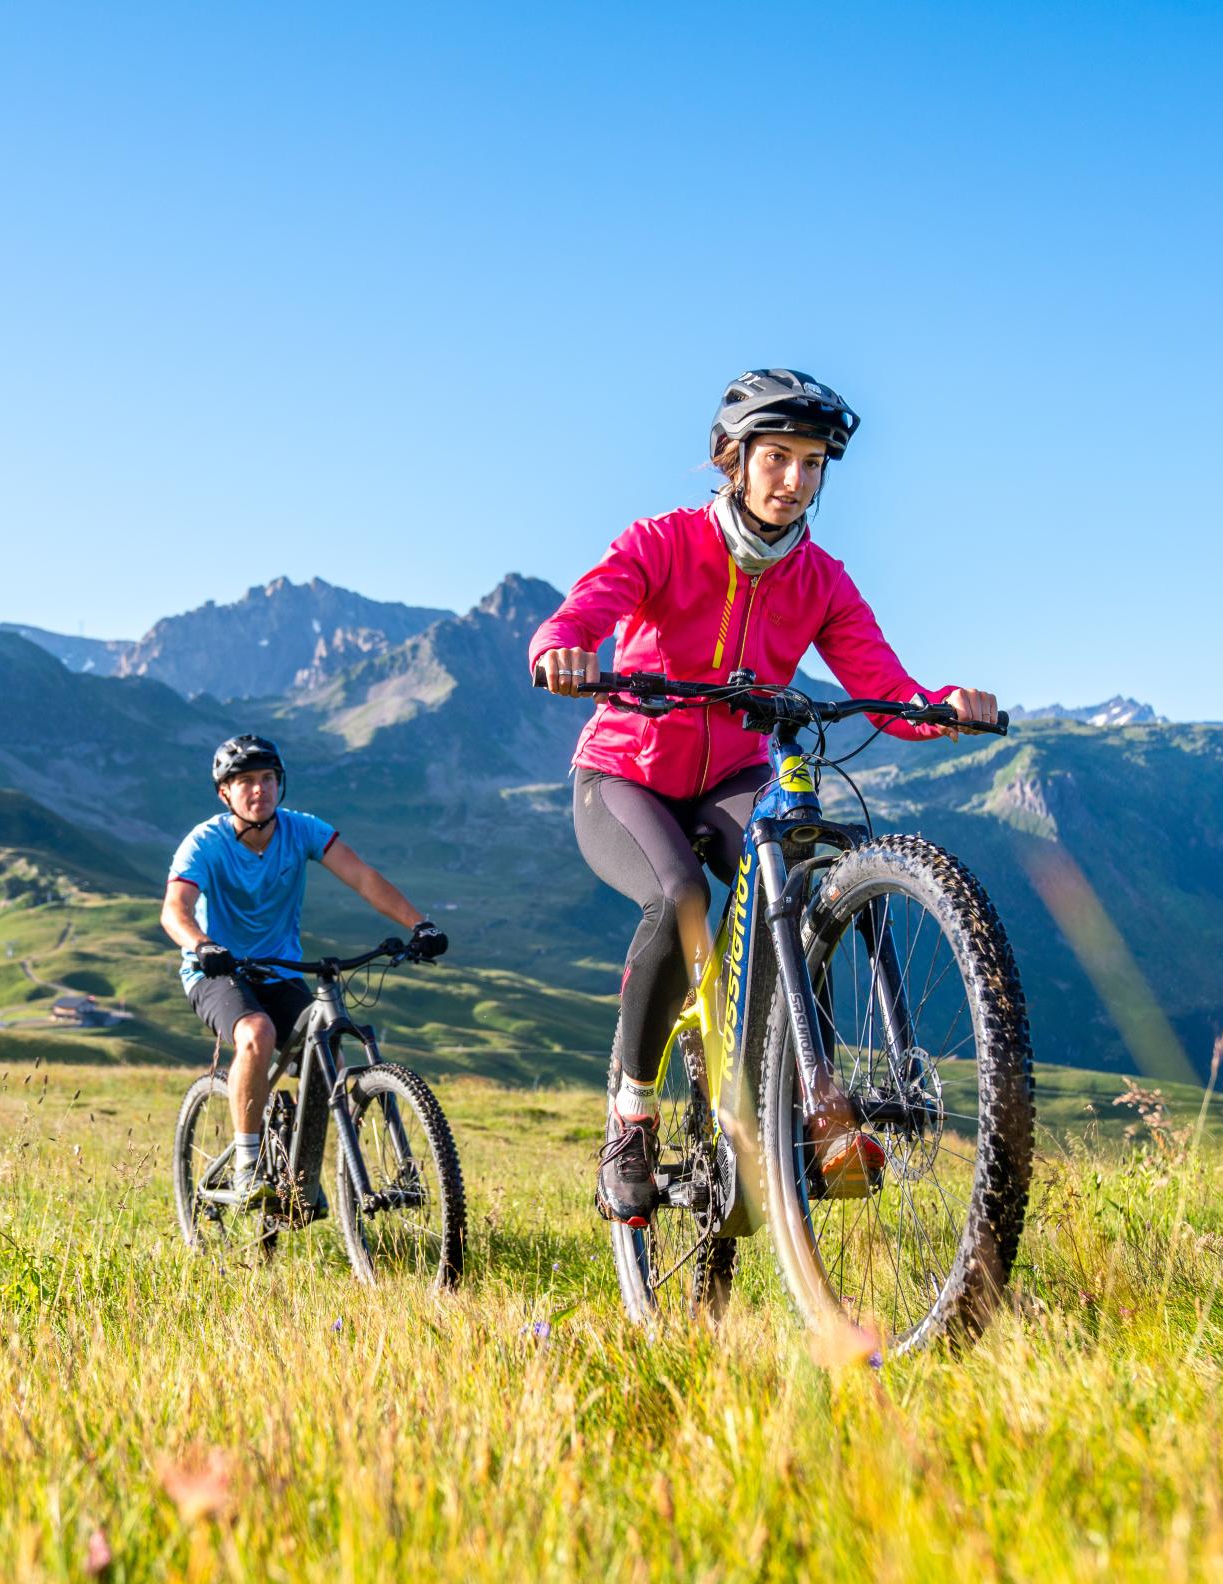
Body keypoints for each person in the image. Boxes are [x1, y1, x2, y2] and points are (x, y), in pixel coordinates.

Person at [526, 369, 1000, 1226]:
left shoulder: (819, 578)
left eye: (812, 463)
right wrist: (562, 648)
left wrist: (944, 711)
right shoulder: (663, 542)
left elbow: (885, 686)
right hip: (623, 773)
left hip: (729, 774)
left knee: (798, 873)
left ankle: (803, 1093)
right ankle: (631, 1114)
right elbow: (587, 610)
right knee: (680, 897)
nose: (794, 480)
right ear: (730, 459)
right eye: (776, 458)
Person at [161, 733, 448, 1201]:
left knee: (329, 1059)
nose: (260, 790)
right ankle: (247, 1164)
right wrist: (202, 945)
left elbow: (362, 876)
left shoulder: (302, 830)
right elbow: (175, 909)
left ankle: (298, 1177)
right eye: (247, 781)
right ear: (225, 793)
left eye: (269, 779)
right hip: (217, 972)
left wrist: (421, 924)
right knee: (256, 1034)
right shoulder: (205, 842)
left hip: (279, 971)